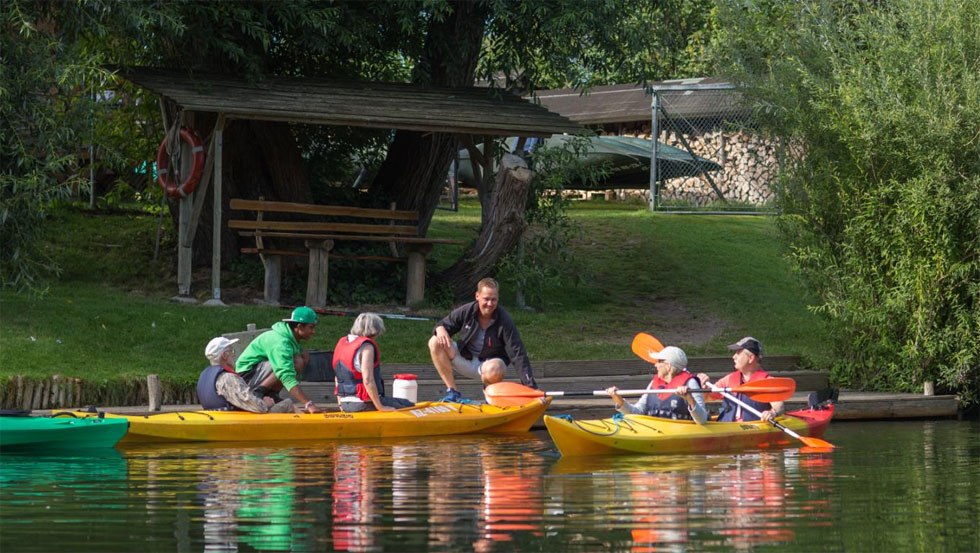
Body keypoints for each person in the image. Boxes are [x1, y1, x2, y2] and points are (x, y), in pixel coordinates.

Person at [428, 277, 537, 403]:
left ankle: (490, 399)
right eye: (486, 299)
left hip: (489, 367)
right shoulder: (466, 311)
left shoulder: (504, 319)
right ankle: (453, 392)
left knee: (496, 367)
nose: (490, 304)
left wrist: (531, 387)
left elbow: (518, 353)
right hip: (464, 358)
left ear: (498, 299)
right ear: (477, 296)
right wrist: (440, 328)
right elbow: (444, 323)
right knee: (434, 341)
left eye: (493, 299)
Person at [235, 306, 321, 414]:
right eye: (311, 327)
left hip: (257, 372)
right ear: (299, 327)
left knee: (300, 359)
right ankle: (257, 392)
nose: (313, 331)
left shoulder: (289, 337)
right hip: (246, 377)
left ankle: (271, 395)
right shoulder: (281, 343)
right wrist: (309, 404)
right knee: (293, 363)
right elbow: (286, 375)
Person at [333, 313, 414, 412]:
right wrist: (380, 407)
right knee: (410, 407)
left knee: (405, 402)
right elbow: (368, 380)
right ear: (374, 331)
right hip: (364, 403)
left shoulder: (343, 343)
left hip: (345, 404)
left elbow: (338, 378)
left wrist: (341, 405)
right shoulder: (367, 347)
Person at [605, 345, 708, 424]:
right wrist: (618, 399)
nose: (656, 365)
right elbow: (637, 412)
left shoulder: (690, 383)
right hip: (654, 429)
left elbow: (702, 420)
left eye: (659, 361)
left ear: (668, 366)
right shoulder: (654, 383)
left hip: (681, 432)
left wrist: (689, 398)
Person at [196, 336, 295, 413]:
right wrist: (266, 403)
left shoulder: (204, 375)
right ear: (224, 355)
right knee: (288, 404)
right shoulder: (227, 378)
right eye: (231, 351)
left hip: (216, 416)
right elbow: (256, 406)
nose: (234, 355)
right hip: (235, 420)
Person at [701, 337, 785, 422]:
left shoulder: (767, 382)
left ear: (750, 358)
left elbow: (779, 406)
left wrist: (772, 413)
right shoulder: (729, 379)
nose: (733, 357)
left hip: (752, 429)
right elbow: (706, 397)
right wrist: (703, 387)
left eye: (738, 353)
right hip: (727, 428)